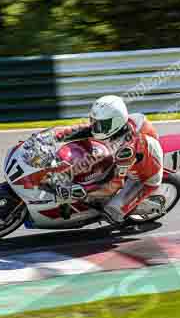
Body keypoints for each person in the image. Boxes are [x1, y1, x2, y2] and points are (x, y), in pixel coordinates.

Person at [52, 95, 165, 225]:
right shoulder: (116, 127)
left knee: (112, 212)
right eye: (94, 121)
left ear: (116, 122)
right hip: (139, 154)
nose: (95, 127)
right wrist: (58, 135)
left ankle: (128, 209)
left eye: (100, 124)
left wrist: (83, 190)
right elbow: (86, 130)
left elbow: (115, 183)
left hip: (145, 177)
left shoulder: (126, 150)